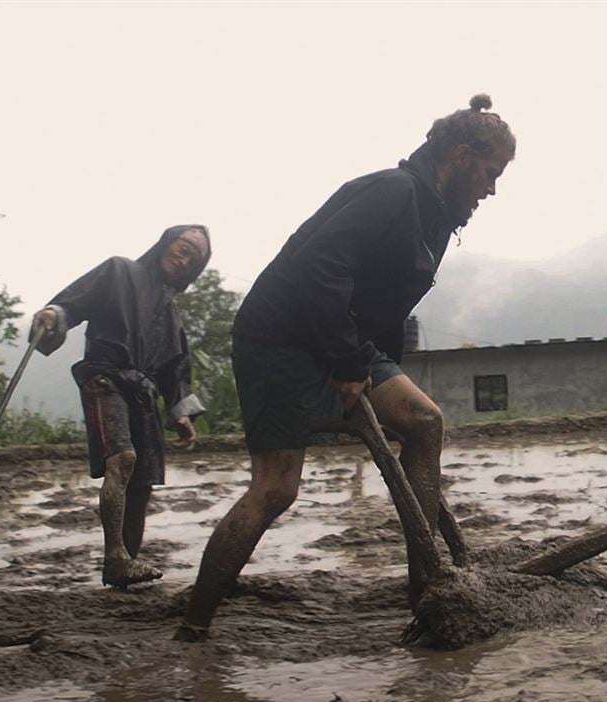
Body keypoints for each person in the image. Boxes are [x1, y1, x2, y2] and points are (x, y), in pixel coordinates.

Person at [176, 95, 516, 641]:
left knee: (423, 423)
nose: (492, 189)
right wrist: (348, 362)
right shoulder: (393, 191)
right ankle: (194, 626)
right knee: (276, 488)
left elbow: (385, 309)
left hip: (340, 336)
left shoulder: (432, 218)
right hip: (282, 339)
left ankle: (426, 596)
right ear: (459, 154)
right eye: (489, 173)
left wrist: (373, 376)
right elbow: (321, 269)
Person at [29, 225, 211, 588]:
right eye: (182, 245)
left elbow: (174, 369)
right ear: (166, 242)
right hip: (106, 377)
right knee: (123, 460)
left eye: (194, 256)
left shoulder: (171, 313)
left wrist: (182, 413)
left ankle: (126, 561)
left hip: (142, 391)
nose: (183, 256)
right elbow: (75, 301)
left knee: (143, 478)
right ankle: (115, 556)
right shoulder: (119, 271)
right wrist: (54, 312)